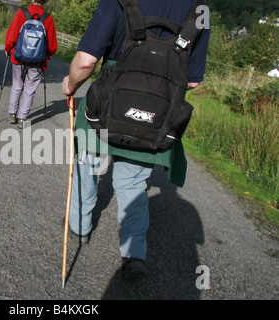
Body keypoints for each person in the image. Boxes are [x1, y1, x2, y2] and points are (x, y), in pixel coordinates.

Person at [62, 0, 210, 280]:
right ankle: (134, 255)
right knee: (132, 182)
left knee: (88, 164)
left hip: (107, 107)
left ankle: (80, 228)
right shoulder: (200, 9)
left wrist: (69, 86)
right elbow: (192, 81)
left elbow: (86, 61)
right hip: (155, 114)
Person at [5, 0, 58, 129]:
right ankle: (22, 118)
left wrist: (8, 48)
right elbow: (52, 47)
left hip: (19, 58)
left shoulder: (21, 14)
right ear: (45, 1)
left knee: (17, 85)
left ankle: (12, 114)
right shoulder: (48, 18)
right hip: (38, 62)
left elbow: (11, 35)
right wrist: (46, 55)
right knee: (30, 89)